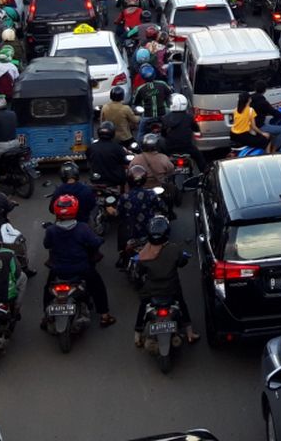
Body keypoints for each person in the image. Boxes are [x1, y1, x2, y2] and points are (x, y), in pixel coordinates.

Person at [43, 195, 116, 328]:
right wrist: (100, 240)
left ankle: (45, 317)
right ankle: (105, 315)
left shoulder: (51, 230)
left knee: (47, 289)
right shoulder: (82, 228)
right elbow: (95, 242)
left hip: (58, 269)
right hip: (81, 268)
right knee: (98, 286)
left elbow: (47, 245)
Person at [132, 215, 198, 345]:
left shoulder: (144, 253)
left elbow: (139, 271)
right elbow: (182, 263)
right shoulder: (174, 249)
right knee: (182, 305)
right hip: (171, 289)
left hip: (150, 290)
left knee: (142, 307)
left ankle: (137, 336)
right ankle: (190, 333)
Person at [162, 93, 207, 172]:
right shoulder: (189, 117)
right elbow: (196, 129)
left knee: (161, 155)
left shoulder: (165, 118)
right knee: (199, 157)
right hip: (187, 147)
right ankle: (204, 176)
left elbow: (163, 134)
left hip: (170, 148)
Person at [129, 135, 176, 202]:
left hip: (142, 187)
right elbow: (171, 170)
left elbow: (130, 172)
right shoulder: (163, 158)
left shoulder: (136, 159)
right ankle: (170, 211)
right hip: (159, 186)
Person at [86, 122, 129, 187]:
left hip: (96, 180)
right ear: (112, 133)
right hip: (114, 181)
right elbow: (125, 163)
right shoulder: (118, 148)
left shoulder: (91, 147)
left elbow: (89, 160)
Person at [250, 80, 281, 153]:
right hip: (259, 126)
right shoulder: (263, 102)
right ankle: (274, 151)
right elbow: (274, 112)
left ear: (255, 89)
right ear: (265, 90)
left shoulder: (250, 99)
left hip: (249, 126)